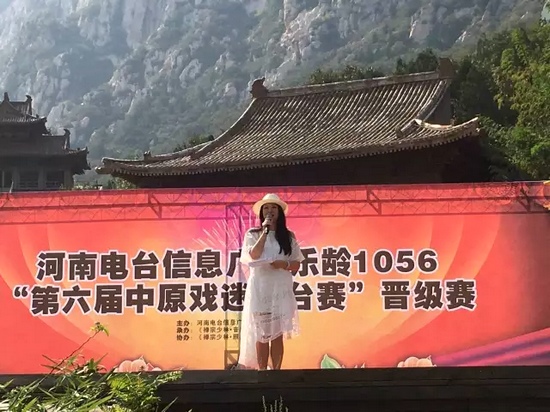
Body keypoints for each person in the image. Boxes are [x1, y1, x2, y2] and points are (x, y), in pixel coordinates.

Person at [237, 193, 305, 370]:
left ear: (280, 212)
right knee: (261, 332)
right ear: (261, 213)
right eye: (266, 208)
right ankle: (262, 372)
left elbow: (297, 264)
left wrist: (284, 264)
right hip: (260, 289)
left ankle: (276, 373)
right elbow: (253, 255)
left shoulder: (288, 236)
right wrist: (265, 232)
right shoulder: (253, 234)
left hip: (280, 288)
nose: (269, 211)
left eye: (273, 207)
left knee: (277, 333)